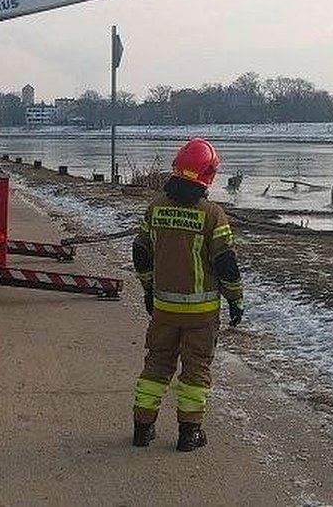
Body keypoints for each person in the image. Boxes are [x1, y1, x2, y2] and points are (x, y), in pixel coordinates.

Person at [130, 138, 244, 451]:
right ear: (209, 175)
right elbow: (226, 264)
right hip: (201, 314)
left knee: (156, 365)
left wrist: (148, 289)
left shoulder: (155, 208)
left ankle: (142, 429)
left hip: (164, 308)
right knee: (196, 371)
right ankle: (188, 434)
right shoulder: (212, 215)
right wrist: (235, 299)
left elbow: (140, 253)